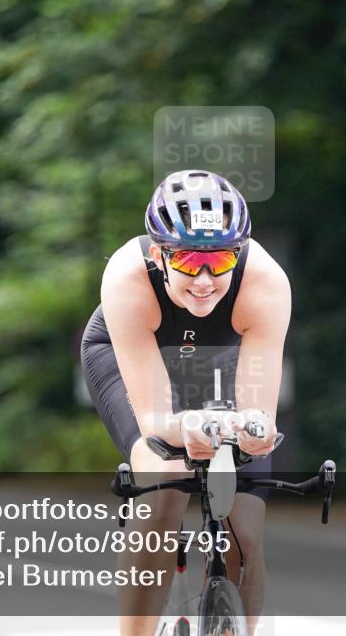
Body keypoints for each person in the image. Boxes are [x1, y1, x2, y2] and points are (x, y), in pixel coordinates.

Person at [80, 169, 291, 635]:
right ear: (159, 254)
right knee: (164, 493)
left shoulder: (265, 283)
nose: (203, 279)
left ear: (238, 255)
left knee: (246, 535)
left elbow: (258, 414)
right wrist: (183, 430)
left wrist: (251, 433)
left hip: (225, 366)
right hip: (137, 359)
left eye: (218, 262)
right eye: (190, 260)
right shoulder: (127, 277)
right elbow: (155, 418)